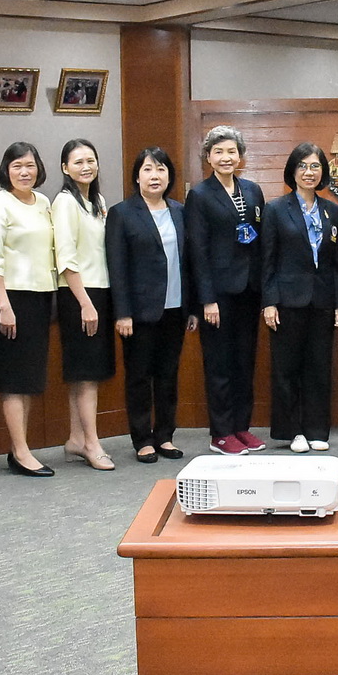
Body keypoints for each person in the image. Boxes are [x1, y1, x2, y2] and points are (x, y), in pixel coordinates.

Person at [106, 147, 197, 463]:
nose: (154, 175)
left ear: (169, 175)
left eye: (160, 169)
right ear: (136, 176)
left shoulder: (180, 211)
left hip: (175, 308)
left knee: (168, 375)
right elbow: (117, 267)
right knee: (139, 376)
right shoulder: (122, 213)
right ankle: (142, 439)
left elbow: (189, 263)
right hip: (139, 312)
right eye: (147, 169)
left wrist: (192, 308)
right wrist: (123, 312)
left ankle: (165, 436)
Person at [261, 143, 338, 452]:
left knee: (318, 368)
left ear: (323, 171)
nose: (308, 172)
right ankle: (292, 431)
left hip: (323, 301)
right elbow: (267, 261)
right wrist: (269, 302)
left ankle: (316, 430)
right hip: (287, 301)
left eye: (314, 166)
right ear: (292, 171)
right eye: (302, 166)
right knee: (287, 369)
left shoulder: (333, 211)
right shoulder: (275, 210)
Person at [185, 126, 266, 455]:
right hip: (217, 295)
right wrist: (207, 299)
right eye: (218, 152)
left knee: (244, 362)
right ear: (208, 157)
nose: (226, 157)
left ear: (241, 156)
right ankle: (220, 433)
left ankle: (241, 428)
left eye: (231, 151)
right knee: (219, 364)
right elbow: (198, 251)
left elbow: (259, 242)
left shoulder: (252, 190)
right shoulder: (200, 195)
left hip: (249, 291)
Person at [0, 142, 59, 477]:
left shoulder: (43, 202)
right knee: (13, 378)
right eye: (16, 166)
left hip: (40, 297)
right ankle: (21, 451)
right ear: (5, 170)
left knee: (29, 376)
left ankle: (20, 448)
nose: (24, 172)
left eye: (29, 165)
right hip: (9, 298)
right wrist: (3, 306)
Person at [52, 139, 117, 470]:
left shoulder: (97, 201)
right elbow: (65, 258)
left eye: (91, 160)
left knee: (86, 373)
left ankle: (76, 438)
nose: (86, 166)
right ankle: (91, 443)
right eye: (78, 162)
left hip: (100, 291)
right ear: (65, 168)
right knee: (85, 374)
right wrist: (85, 303)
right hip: (79, 294)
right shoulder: (64, 203)